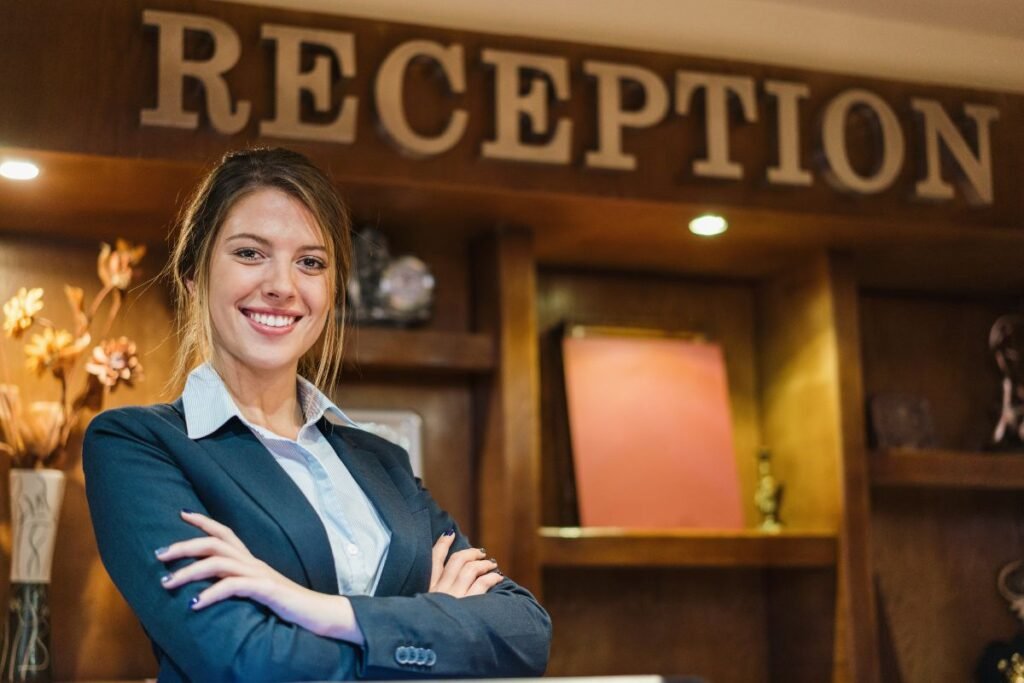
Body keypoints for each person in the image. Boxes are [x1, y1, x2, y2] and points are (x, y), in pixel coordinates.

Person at [83, 147, 552, 682]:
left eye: (310, 262)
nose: (283, 285)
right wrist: (432, 627)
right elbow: (247, 662)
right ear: (193, 276)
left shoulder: (382, 462)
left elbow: (524, 633)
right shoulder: (139, 446)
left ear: (330, 291)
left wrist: (309, 606)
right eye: (250, 253)